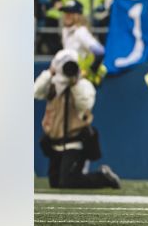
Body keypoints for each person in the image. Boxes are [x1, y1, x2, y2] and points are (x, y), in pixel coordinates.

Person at [35, 50, 120, 190]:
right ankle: (100, 177)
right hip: (54, 141)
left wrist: (75, 84)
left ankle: (104, 178)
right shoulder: (52, 84)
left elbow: (85, 105)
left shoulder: (83, 85)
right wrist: (50, 73)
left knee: (67, 182)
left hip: (75, 142)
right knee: (55, 183)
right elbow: (36, 92)